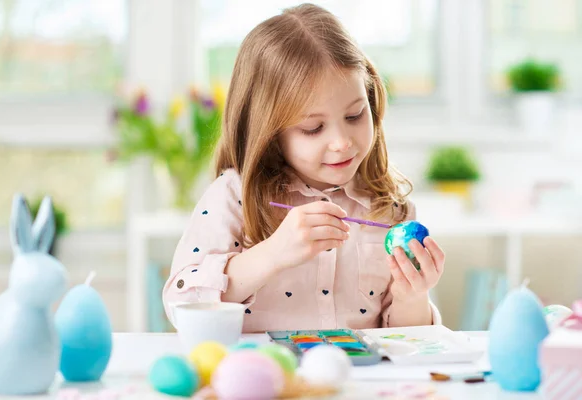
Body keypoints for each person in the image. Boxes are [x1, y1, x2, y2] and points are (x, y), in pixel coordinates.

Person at [163, 3, 444, 332]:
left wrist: (413, 296)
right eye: (313, 128)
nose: (342, 141)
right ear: (269, 132)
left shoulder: (389, 209)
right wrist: (272, 254)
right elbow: (181, 305)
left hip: (357, 381)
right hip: (262, 379)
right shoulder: (234, 196)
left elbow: (405, 339)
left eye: (355, 115)